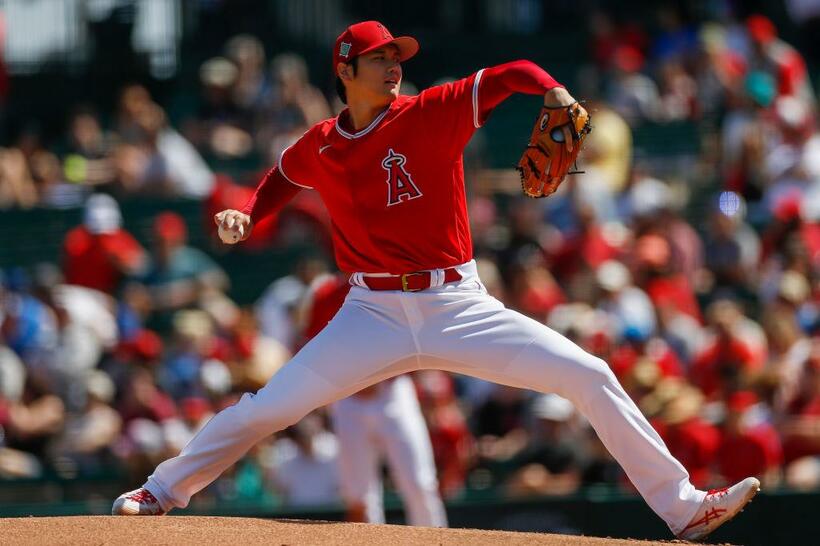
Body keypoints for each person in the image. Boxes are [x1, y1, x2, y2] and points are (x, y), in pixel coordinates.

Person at [113, 20, 759, 541]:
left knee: (587, 374)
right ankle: (160, 490)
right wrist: (249, 212)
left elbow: (509, 74)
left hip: (457, 303)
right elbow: (285, 172)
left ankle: (684, 508)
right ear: (344, 70)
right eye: (378, 59)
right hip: (371, 313)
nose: (393, 65)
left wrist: (554, 89)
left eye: (396, 56)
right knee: (268, 409)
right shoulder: (323, 144)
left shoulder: (430, 111)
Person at [302, 273, 447, 527]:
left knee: (420, 482)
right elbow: (313, 345)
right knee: (358, 495)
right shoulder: (326, 294)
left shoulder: (392, 284)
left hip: (391, 392)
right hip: (348, 397)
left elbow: (413, 336)